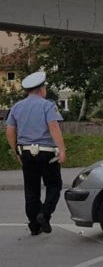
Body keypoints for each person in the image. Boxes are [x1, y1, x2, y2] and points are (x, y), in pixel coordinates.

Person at [4, 71, 67, 235]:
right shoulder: (47, 105)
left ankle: (34, 226)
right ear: (41, 89)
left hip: (25, 152)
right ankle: (44, 214)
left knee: (31, 190)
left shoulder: (17, 107)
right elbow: (54, 128)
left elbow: (10, 131)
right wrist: (62, 150)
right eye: (44, 87)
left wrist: (16, 151)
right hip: (46, 152)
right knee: (54, 185)